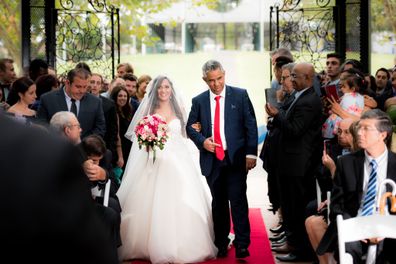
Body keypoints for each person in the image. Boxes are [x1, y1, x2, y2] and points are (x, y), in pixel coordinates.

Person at [117, 75, 217, 263]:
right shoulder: (149, 109)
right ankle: (148, 243)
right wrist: (149, 142)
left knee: (183, 197)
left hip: (179, 159)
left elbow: (187, 132)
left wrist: (197, 128)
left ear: (171, 89)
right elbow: (140, 137)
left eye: (166, 87)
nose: (163, 91)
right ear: (155, 91)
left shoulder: (179, 108)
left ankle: (184, 243)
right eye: (160, 88)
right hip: (155, 160)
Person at [0, 114, 118, 263]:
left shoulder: (89, 149)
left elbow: (111, 185)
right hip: (50, 215)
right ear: (67, 130)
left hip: (68, 208)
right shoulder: (56, 151)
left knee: (111, 211)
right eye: (77, 126)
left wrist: (103, 174)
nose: (81, 129)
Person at [186, 60, 258, 259]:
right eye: (211, 81)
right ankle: (221, 242)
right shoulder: (198, 100)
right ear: (204, 80)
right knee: (218, 203)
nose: (216, 84)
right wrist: (202, 142)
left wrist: (251, 154)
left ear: (224, 74)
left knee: (237, 200)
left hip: (235, 158)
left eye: (219, 78)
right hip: (212, 160)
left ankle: (243, 244)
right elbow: (190, 127)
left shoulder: (240, 95)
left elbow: (250, 125)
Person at [317, 109, 396, 263]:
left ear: (383, 135)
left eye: (366, 128)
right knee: (348, 247)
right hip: (355, 225)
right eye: (359, 127)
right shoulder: (345, 163)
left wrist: (384, 228)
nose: (359, 133)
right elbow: (337, 208)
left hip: (390, 226)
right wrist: (361, 227)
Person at [266, 62, 323, 262]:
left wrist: (277, 115)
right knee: (289, 207)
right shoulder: (299, 96)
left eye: (295, 76)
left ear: (308, 78)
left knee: (297, 208)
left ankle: (300, 250)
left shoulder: (310, 100)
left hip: (299, 164)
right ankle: (292, 242)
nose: (291, 79)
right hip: (289, 162)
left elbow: (295, 129)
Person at [38, 67, 106, 138]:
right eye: (78, 86)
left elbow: (100, 128)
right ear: (67, 83)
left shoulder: (95, 102)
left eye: (85, 87)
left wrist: (85, 145)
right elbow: (41, 126)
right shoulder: (48, 99)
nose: (82, 91)